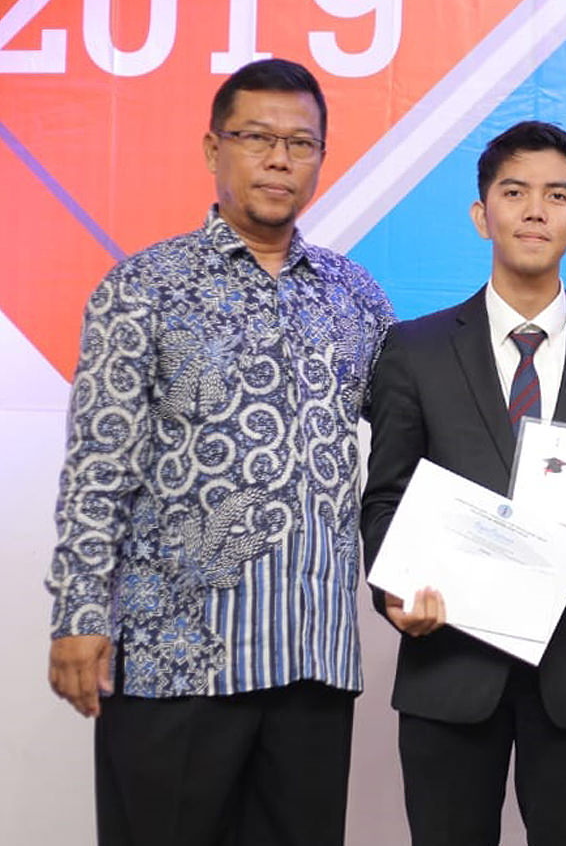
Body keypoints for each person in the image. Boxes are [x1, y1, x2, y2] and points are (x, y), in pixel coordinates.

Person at [44, 59, 395, 845]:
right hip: (176, 660)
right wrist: (77, 613)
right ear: (212, 148)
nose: (279, 158)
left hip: (311, 659)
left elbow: (414, 449)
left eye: (300, 143)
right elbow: (98, 465)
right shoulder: (144, 286)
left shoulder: (358, 297)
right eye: (257, 138)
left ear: (320, 159)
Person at [360, 120, 566, 846]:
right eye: (515, 192)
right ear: (482, 215)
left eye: (556, 195)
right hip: (448, 662)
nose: (536, 210)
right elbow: (385, 496)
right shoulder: (415, 349)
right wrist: (393, 589)